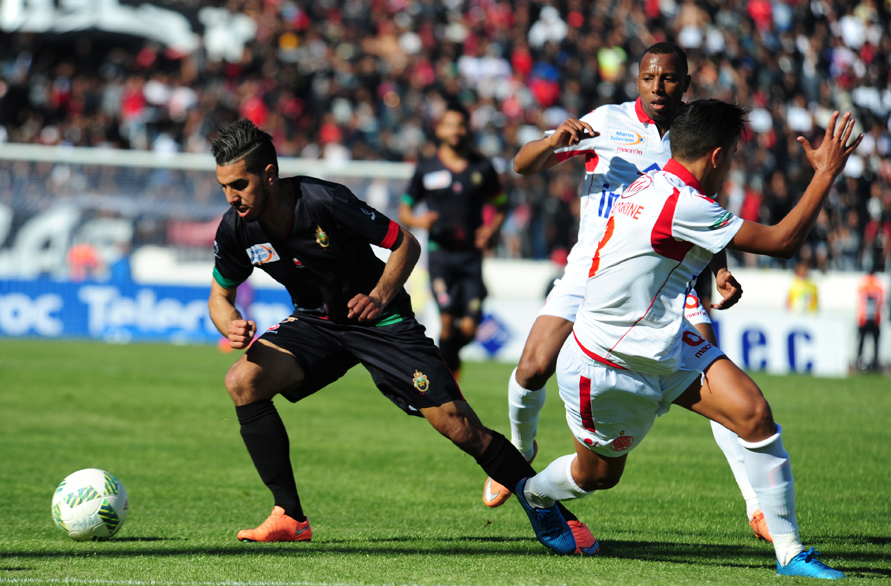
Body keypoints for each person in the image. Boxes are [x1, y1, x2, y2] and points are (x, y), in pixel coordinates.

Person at [206, 119, 595, 555]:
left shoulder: (322, 200)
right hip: (316, 324)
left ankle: (553, 511)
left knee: (459, 426)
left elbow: (405, 243)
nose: (230, 196)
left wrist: (379, 295)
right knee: (243, 381)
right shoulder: (237, 227)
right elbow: (220, 295)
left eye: (239, 184)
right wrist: (229, 323)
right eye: (224, 186)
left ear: (270, 174)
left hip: (381, 321)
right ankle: (289, 516)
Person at [517, 101, 860, 579]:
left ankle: (791, 552)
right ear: (718, 157)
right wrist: (825, 174)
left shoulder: (658, 183)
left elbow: (688, 238)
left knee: (754, 415)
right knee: (597, 476)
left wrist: (716, 270)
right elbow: (783, 241)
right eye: (735, 155)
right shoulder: (682, 202)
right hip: (606, 363)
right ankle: (534, 493)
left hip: (666, 344)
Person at [483, 41, 769, 543]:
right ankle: (517, 452)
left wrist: (717, 272)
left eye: (670, 79)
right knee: (531, 368)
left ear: (685, 81)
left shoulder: (695, 135)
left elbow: (704, 214)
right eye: (649, 79)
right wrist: (554, 141)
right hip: (590, 271)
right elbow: (521, 166)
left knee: (721, 385)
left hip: (667, 281)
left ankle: (756, 503)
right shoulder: (607, 122)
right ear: (638, 80)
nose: (659, 88)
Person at [399, 101, 507, 377]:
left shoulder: (482, 167)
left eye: (460, 125)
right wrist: (419, 220)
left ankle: (446, 359)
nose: (456, 130)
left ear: (467, 129)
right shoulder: (426, 168)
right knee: (446, 322)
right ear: (439, 129)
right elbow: (405, 210)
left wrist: (492, 229)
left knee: (470, 328)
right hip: (440, 256)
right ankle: (445, 376)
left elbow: (502, 203)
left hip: (471, 257)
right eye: (450, 124)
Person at [856, 269, 884, 371]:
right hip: (875, 320)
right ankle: (875, 364)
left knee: (861, 343)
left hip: (863, 319)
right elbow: (881, 302)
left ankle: (859, 364)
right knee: (875, 344)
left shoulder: (863, 285)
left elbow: (860, 301)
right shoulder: (878, 286)